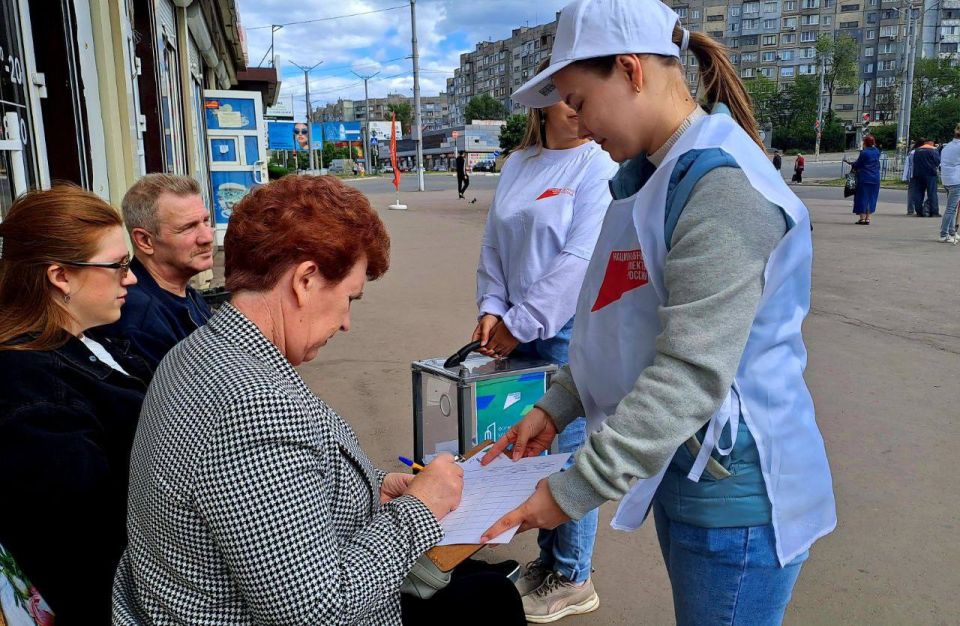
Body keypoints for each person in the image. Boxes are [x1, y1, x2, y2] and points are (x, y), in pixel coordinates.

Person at [479, 2, 837, 625]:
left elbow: (691, 369)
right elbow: (619, 324)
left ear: (630, 70)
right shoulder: (649, 177)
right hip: (683, 462)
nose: (578, 124)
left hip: (737, 493)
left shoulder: (720, 186)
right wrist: (554, 405)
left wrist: (569, 493)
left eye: (579, 101)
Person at [112, 175, 525, 626]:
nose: (346, 322)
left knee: (485, 594)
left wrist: (375, 486)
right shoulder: (255, 407)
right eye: (349, 298)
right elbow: (317, 609)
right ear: (306, 279)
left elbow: (278, 484)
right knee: (491, 602)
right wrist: (417, 511)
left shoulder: (203, 350)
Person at [473, 58, 619, 622]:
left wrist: (520, 322)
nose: (577, 108)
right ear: (542, 103)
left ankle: (573, 575)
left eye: (581, 96)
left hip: (564, 332)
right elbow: (492, 246)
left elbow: (579, 261)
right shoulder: (519, 164)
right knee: (530, 454)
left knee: (569, 455)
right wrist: (491, 310)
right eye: (566, 96)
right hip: (514, 328)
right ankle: (547, 558)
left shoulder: (596, 165)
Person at [0, 185, 150, 624]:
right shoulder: (30, 389)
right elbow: (85, 550)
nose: (131, 278)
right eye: (118, 266)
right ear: (59, 276)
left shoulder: (87, 341)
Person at [98, 174, 214, 370]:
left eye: (206, 220)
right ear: (144, 241)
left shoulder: (182, 292)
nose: (207, 237)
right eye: (188, 227)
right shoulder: (139, 319)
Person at [844, 135, 881, 225]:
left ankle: (862, 218)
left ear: (865, 142)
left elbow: (858, 164)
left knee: (862, 197)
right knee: (872, 198)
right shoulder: (877, 151)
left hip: (864, 178)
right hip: (875, 178)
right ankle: (868, 218)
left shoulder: (864, 152)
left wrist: (850, 162)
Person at [937, 124, 960, 243]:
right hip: (956, 180)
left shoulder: (947, 146)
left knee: (952, 207)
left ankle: (951, 232)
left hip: (946, 179)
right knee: (951, 209)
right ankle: (943, 234)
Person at [911, 138, 941, 217]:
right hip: (930, 174)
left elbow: (914, 162)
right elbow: (937, 161)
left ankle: (919, 212)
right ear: (931, 143)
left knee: (918, 193)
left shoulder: (917, 150)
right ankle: (934, 212)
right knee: (932, 193)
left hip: (918, 174)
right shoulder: (933, 150)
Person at [903, 141, 916, 215]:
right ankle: (914, 209)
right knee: (917, 192)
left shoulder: (911, 153)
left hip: (911, 175)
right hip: (916, 175)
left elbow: (907, 166)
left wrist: (906, 177)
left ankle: (910, 209)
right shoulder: (914, 153)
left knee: (911, 193)